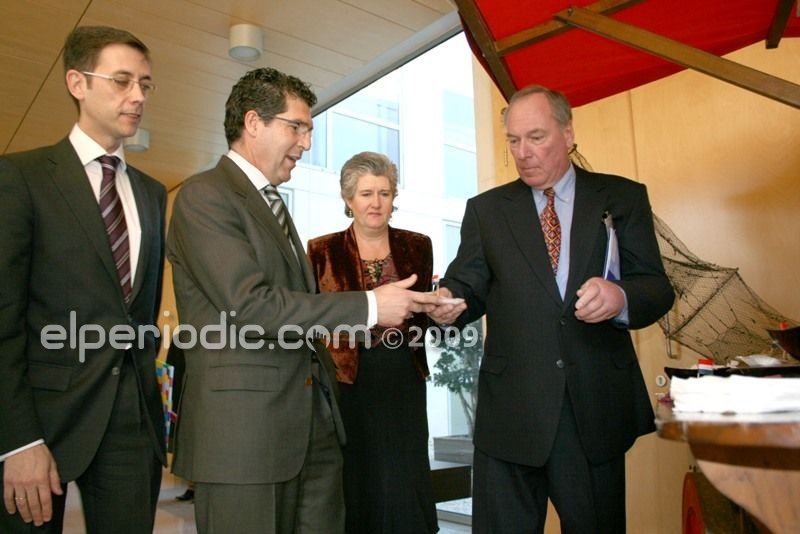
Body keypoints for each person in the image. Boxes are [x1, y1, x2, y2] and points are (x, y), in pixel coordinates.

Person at [167, 68, 441, 534]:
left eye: (309, 129)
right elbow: (252, 307)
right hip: (245, 439)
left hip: (310, 429)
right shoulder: (204, 196)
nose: (307, 143)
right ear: (254, 123)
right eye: (297, 127)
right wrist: (370, 307)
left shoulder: (272, 203)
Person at [428, 85, 674, 533]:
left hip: (593, 409)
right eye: (513, 140)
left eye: (536, 137)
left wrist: (620, 297)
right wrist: (447, 304)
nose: (522, 153)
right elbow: (467, 285)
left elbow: (656, 287)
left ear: (568, 133)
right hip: (511, 415)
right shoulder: (487, 211)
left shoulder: (622, 198)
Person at [0, 26, 167, 533]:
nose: (137, 96)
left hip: (131, 421)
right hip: (42, 419)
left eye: (144, 84)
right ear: (77, 83)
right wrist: (18, 441)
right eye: (121, 81)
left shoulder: (152, 193)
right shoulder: (21, 177)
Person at [307, 152, 438, 534]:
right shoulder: (322, 250)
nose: (376, 203)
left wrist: (439, 308)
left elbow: (423, 312)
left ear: (394, 197)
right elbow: (313, 316)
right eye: (366, 193)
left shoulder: (418, 245)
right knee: (356, 475)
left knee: (404, 474)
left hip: (403, 377)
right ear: (348, 199)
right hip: (348, 380)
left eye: (384, 192)